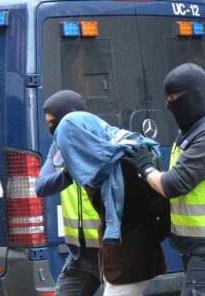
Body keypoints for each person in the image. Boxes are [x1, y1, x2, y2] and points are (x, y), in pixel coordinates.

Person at [124, 63, 205, 296]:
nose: (170, 106)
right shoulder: (198, 123)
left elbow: (173, 184)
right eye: (168, 99)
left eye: (176, 98)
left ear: (196, 95)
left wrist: (145, 168)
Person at [56, 111, 168, 296]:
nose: (72, 156)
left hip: (132, 260)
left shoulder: (129, 155)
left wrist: (154, 235)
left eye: (72, 148)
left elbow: (161, 202)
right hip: (113, 260)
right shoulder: (93, 164)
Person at [35, 90, 101, 296]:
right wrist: (72, 171)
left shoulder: (101, 141)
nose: (51, 128)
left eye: (53, 122)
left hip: (111, 251)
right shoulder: (58, 147)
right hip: (80, 256)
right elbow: (41, 187)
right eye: (48, 123)